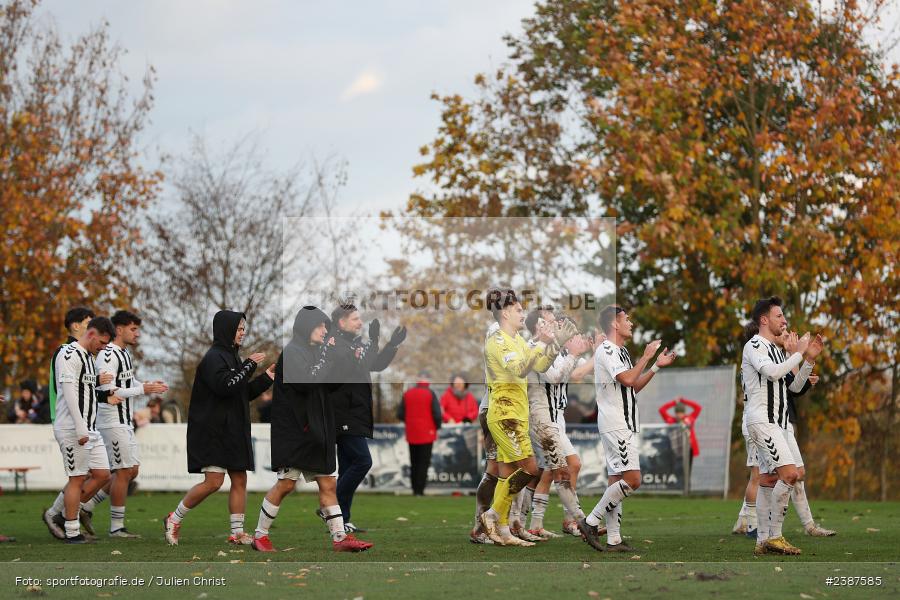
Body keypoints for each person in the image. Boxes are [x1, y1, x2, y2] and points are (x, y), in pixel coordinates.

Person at [251, 306, 372, 553]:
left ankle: (340, 538)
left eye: (326, 326)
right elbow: (308, 383)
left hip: (317, 431)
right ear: (307, 326)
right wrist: (328, 358)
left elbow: (329, 385)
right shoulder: (293, 352)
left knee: (328, 484)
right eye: (320, 326)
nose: (325, 330)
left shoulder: (317, 351)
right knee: (285, 484)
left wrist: (349, 359)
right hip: (297, 432)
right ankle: (260, 536)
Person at [164, 310, 274, 546]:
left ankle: (237, 532)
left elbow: (241, 394)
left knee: (239, 478)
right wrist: (249, 364)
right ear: (226, 330)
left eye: (244, 329)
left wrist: (266, 378)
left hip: (233, 430)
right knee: (213, 482)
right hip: (213, 431)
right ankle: (174, 518)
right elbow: (226, 386)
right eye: (239, 329)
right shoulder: (214, 357)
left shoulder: (232, 357)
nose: (243, 333)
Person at [579, 305, 677, 552]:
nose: (630, 323)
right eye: (627, 319)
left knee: (617, 479)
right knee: (633, 480)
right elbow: (628, 379)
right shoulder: (608, 349)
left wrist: (655, 366)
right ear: (614, 323)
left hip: (625, 421)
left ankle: (614, 539)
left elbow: (632, 387)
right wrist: (646, 356)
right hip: (616, 422)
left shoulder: (621, 351)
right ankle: (590, 522)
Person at [478, 288, 561, 546]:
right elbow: (519, 368)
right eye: (518, 310)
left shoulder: (518, 340)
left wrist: (552, 346)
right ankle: (491, 515)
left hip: (516, 414)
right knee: (530, 469)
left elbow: (539, 366)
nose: (522, 313)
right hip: (504, 415)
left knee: (507, 474)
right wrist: (544, 344)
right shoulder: (498, 340)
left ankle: (503, 531)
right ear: (505, 313)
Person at [742, 296, 822, 556]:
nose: (785, 320)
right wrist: (797, 352)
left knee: (768, 479)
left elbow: (794, 386)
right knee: (790, 475)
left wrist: (807, 359)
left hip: (776, 423)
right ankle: (775, 536)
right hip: (763, 422)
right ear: (764, 320)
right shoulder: (755, 345)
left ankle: (761, 541)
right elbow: (773, 373)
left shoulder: (776, 350)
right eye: (779, 316)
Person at [81, 310, 168, 538]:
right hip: (111, 420)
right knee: (122, 471)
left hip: (124, 421)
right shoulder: (108, 354)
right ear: (119, 330)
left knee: (131, 471)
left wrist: (146, 384)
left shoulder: (124, 354)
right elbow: (107, 390)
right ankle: (116, 528)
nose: (137, 333)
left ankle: (86, 507)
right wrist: (142, 389)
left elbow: (127, 383)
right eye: (133, 329)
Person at [328, 304, 406, 533]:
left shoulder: (354, 343)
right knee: (363, 461)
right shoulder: (336, 344)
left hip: (356, 412)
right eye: (355, 319)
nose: (360, 322)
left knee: (347, 466)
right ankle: (329, 505)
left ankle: (341, 520)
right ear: (341, 322)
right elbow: (360, 362)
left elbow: (376, 364)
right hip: (344, 412)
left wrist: (391, 344)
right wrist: (372, 341)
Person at [42, 317, 117, 543]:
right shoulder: (68, 354)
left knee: (103, 474)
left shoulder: (88, 357)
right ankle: (72, 531)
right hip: (73, 428)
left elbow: (88, 393)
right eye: (102, 343)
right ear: (92, 334)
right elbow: (69, 392)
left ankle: (64, 515)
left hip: (89, 428)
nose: (103, 348)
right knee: (76, 478)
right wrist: (80, 426)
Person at [519, 309, 592, 540]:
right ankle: (575, 522)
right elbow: (555, 375)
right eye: (556, 324)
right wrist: (574, 353)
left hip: (553, 418)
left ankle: (529, 523)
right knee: (559, 467)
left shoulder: (557, 350)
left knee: (544, 471)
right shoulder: (540, 348)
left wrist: (593, 353)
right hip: (542, 418)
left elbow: (577, 373)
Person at [397, 374, 442, 496]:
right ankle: (420, 490)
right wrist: (437, 426)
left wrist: (410, 421)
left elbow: (400, 413)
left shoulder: (407, 393)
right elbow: (437, 414)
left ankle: (414, 489)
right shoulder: (430, 394)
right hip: (427, 432)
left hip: (411, 432)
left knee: (414, 461)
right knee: (424, 462)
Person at [658, 397, 702, 471]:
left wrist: (684, 401)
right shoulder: (671, 420)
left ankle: (687, 482)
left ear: (684, 413)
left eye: (681, 413)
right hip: (674, 450)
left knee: (687, 470)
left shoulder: (689, 419)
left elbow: (698, 408)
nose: (679, 415)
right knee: (676, 470)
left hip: (688, 449)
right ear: (675, 413)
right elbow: (662, 410)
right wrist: (674, 402)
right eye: (677, 413)